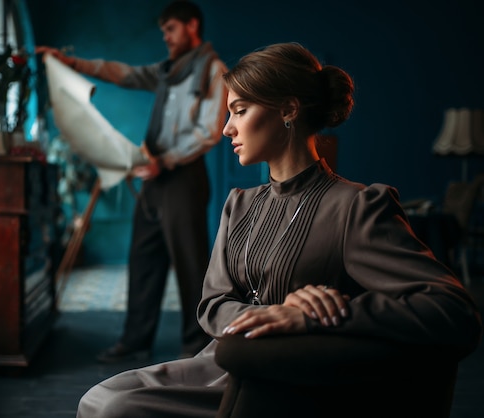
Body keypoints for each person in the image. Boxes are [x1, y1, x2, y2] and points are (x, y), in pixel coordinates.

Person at [74, 41, 483, 417]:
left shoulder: (358, 207)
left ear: (288, 109)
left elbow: (453, 310)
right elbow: (212, 304)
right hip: (220, 362)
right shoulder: (239, 205)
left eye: (239, 111)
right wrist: (271, 314)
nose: (226, 130)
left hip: (286, 383)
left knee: (119, 411)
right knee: (96, 399)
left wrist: (321, 316)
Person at [36, 0, 228, 362]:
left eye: (170, 29)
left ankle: (196, 345)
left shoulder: (212, 69)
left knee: (190, 263)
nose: (166, 38)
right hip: (153, 178)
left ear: (191, 26)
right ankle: (135, 341)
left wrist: (165, 161)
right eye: (163, 32)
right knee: (143, 258)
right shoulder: (168, 70)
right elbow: (122, 73)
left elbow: (209, 132)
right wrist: (71, 63)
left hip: (183, 177)